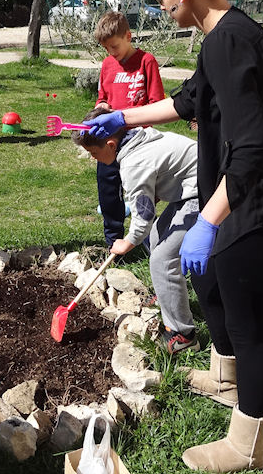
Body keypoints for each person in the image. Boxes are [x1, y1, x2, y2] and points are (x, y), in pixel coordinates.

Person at [84, 0, 263, 473]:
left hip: (252, 204)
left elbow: (254, 145)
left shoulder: (230, 42)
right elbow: (188, 101)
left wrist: (209, 221)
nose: (162, 3)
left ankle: (247, 444)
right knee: (211, 284)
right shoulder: (221, 36)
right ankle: (224, 376)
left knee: (247, 322)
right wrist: (122, 118)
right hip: (231, 195)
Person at [74, 109, 200, 354]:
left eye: (93, 152)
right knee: (155, 239)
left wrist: (127, 242)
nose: (92, 158)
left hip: (207, 192)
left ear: (111, 145)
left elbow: (143, 219)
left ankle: (184, 336)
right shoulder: (138, 139)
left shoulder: (134, 164)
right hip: (190, 188)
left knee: (162, 260)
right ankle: (168, 296)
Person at [92, 12, 164, 248]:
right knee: (107, 188)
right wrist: (102, 107)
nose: (111, 52)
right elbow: (102, 97)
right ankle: (113, 241)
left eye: (114, 46)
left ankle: (144, 238)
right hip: (110, 140)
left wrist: (131, 118)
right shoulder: (107, 65)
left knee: (140, 191)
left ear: (128, 36)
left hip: (138, 140)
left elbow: (157, 104)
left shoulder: (146, 62)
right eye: (106, 48)